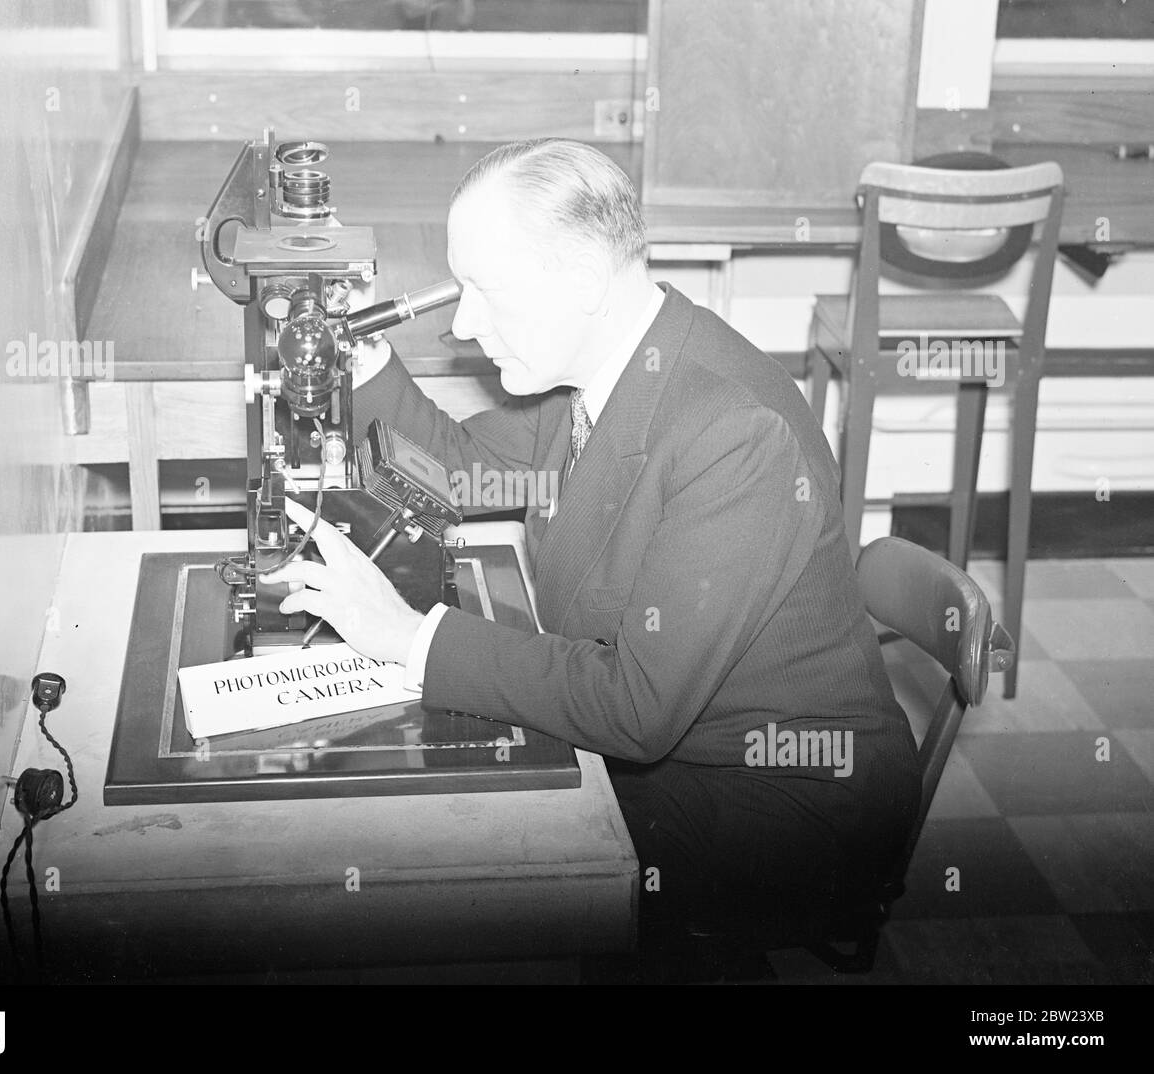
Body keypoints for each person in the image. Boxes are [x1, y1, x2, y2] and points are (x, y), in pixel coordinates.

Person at [267, 139, 921, 948]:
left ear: (580, 280)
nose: (465, 327)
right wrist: (360, 354)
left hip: (787, 797)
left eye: (485, 291)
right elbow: (468, 471)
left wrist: (406, 635)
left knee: (469, 874)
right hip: (684, 749)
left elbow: (636, 709)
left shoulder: (734, 434)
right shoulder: (606, 365)